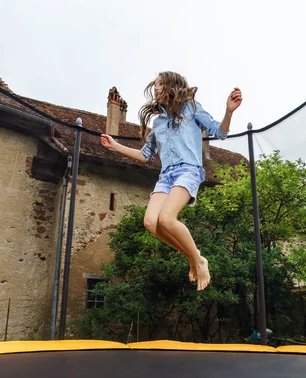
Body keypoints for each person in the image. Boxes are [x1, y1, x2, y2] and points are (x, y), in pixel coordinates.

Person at [100, 71, 242, 291]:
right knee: (150, 223)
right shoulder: (158, 123)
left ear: (172, 86)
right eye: (155, 85)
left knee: (167, 219)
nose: (156, 88)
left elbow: (218, 132)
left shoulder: (191, 108)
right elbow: (145, 155)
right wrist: (114, 145)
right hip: (166, 176)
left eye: (160, 84)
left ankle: (198, 260)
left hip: (188, 170)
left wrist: (228, 112)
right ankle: (194, 258)